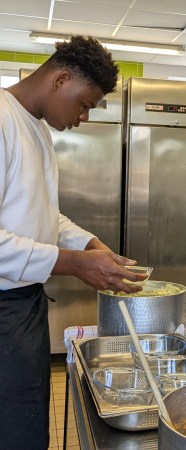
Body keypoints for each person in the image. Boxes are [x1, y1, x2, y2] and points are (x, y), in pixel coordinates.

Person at [0, 36, 147, 450]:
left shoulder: (37, 128)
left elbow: (45, 215)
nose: (83, 117)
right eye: (84, 104)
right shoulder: (2, 120)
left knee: (27, 423)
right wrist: (74, 264)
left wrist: (91, 246)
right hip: (3, 309)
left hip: (24, 304)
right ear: (60, 79)